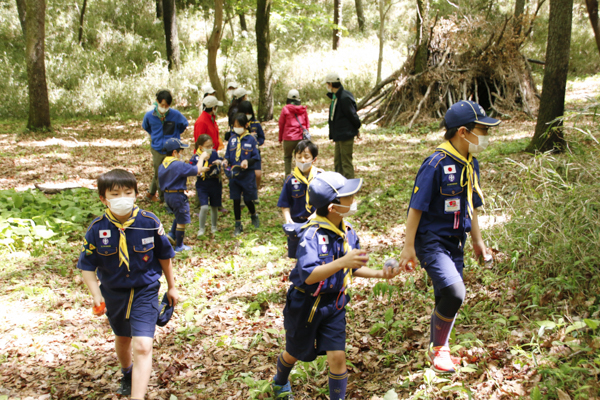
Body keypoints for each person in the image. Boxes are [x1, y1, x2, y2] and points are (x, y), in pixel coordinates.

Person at [390, 100, 499, 373]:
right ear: (463, 132)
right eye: (482, 130)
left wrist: (478, 241)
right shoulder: (436, 164)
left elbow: (471, 205)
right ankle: (439, 349)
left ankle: (439, 347)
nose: (485, 136)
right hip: (431, 241)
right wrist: (408, 248)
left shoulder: (470, 163)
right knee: (455, 292)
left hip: (455, 241)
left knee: (444, 296)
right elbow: (416, 208)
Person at [271, 171, 400, 400]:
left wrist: (381, 274)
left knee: (338, 356)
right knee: (295, 352)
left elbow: (351, 268)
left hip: (335, 304)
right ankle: (280, 382)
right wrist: (342, 261)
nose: (354, 200)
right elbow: (310, 275)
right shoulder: (311, 235)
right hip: (305, 305)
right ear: (332, 207)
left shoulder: (347, 231)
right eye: (349, 197)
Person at [77, 169, 178, 399]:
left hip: (145, 290)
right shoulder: (97, 229)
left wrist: (172, 286)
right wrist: (96, 295)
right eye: (115, 194)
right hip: (113, 294)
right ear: (103, 198)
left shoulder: (149, 222)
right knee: (123, 338)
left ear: (135, 194)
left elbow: (164, 255)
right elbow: (87, 266)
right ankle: (127, 372)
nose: (122, 197)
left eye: (128, 192)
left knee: (143, 345)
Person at [158, 138, 208, 252]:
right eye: (181, 151)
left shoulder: (163, 165)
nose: (182, 153)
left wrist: (200, 169)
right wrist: (201, 157)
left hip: (168, 196)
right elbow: (197, 169)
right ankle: (179, 245)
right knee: (182, 220)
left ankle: (172, 234)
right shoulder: (178, 164)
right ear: (174, 152)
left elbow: (192, 171)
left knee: (177, 214)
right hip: (177, 196)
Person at [142, 90, 189, 203]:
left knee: (172, 172)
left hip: (172, 149)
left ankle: (168, 195)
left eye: (166, 105)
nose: (164, 107)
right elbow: (146, 127)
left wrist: (176, 135)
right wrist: (155, 136)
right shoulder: (149, 116)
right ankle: (163, 198)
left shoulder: (175, 114)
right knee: (159, 173)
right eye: (162, 105)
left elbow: (184, 124)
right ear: (157, 102)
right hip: (157, 148)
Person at [223, 113, 260, 237]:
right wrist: (225, 161)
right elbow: (228, 155)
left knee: (248, 199)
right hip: (234, 175)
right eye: (234, 126)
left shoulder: (251, 139)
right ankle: (238, 224)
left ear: (246, 125)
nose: (236, 128)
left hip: (247, 176)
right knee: (236, 200)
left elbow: (256, 157)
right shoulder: (232, 139)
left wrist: (247, 162)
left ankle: (253, 214)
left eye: (239, 126)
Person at [323, 73, 361, 179]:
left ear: (331, 84)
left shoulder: (344, 97)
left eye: (327, 84)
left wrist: (356, 128)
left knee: (346, 162)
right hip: (339, 134)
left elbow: (353, 115)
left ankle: (350, 188)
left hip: (346, 134)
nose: (327, 86)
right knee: (338, 162)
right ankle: (339, 184)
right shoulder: (336, 97)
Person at [277, 140, 322, 224]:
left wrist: (317, 213)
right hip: (297, 222)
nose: (303, 160)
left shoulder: (320, 177)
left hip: (318, 220)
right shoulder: (290, 179)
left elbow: (327, 200)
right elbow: (284, 203)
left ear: (314, 159)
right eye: (299, 157)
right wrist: (288, 219)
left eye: (306, 157)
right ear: (295, 158)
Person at [190, 134, 223, 236]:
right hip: (202, 184)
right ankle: (201, 228)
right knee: (204, 207)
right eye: (207, 146)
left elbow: (221, 161)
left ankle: (214, 226)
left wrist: (218, 164)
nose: (210, 148)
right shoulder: (196, 157)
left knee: (214, 206)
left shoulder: (214, 153)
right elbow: (191, 169)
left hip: (214, 183)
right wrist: (200, 171)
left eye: (211, 146)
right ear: (201, 147)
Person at [278, 89, 310, 176]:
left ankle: (288, 177)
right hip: (300, 138)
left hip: (288, 138)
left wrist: (280, 138)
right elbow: (307, 125)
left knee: (287, 158)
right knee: (300, 157)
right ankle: (301, 175)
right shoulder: (303, 109)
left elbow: (281, 124)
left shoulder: (285, 109)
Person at [238, 100, 265, 191]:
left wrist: (257, 142)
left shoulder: (256, 123)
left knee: (257, 174)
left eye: (248, 113)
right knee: (243, 175)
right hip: (242, 153)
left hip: (254, 152)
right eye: (245, 113)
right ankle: (243, 193)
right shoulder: (238, 124)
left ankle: (255, 192)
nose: (247, 115)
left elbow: (262, 137)